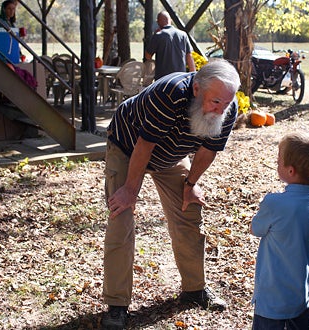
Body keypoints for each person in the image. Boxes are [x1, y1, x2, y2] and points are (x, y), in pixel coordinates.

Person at [101, 59, 241, 329]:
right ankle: (117, 304)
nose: (221, 110)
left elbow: (207, 151)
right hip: (129, 147)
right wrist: (131, 190)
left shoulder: (227, 106)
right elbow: (145, 145)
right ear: (197, 89)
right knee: (121, 218)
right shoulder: (170, 93)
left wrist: (190, 185)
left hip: (171, 155)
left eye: (226, 103)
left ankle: (194, 290)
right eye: (215, 103)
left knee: (189, 210)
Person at [250, 132, 309, 330]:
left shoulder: (275, 203)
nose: (276, 163)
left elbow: (255, 229)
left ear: (291, 171)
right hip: (302, 290)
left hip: (273, 295)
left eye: (279, 161)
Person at [144, 11, 196, 80]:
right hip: (180, 79)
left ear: (158, 22)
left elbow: (148, 56)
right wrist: (193, 77)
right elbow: (189, 57)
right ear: (170, 20)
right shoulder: (183, 35)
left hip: (163, 80)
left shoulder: (158, 35)